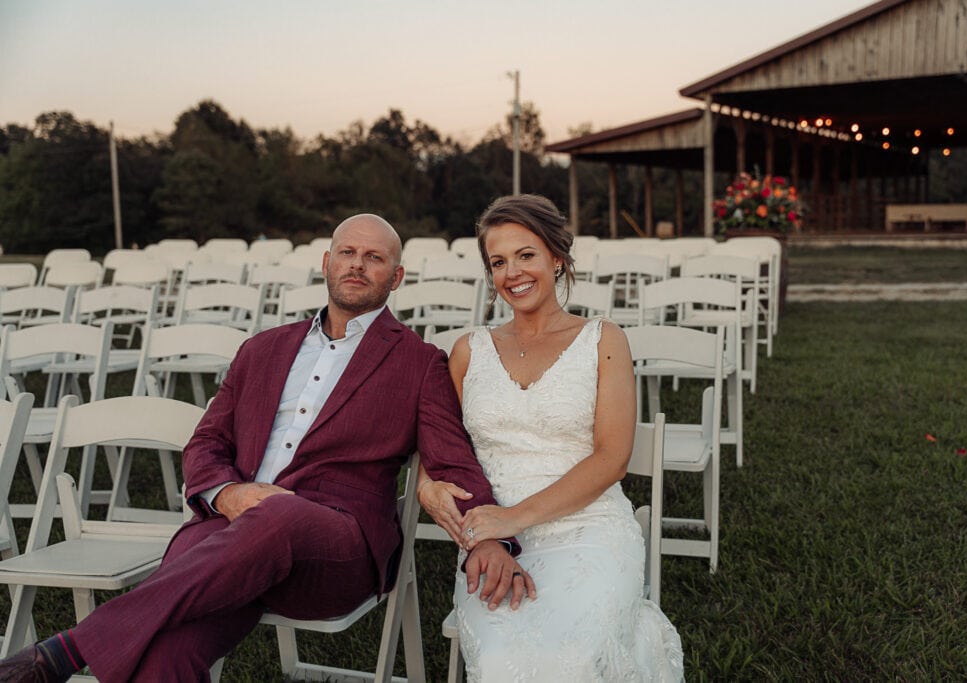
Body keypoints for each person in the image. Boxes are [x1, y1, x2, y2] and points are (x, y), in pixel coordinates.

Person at [0, 214, 533, 682]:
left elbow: (452, 460)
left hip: (336, 549)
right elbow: (207, 442)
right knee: (169, 647)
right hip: (230, 543)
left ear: (395, 278)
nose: (356, 264)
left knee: (274, 516)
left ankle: (65, 652)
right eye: (347, 252)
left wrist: (488, 540)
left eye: (374, 258)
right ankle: (80, 650)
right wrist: (226, 494)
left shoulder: (419, 364)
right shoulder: (260, 350)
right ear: (326, 262)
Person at [417, 194, 685, 682]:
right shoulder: (467, 351)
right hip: (491, 545)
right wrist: (438, 498)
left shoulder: (603, 340)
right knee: (502, 664)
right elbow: (439, 454)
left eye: (526, 255)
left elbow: (612, 459)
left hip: (591, 529)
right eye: (498, 262)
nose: (512, 272)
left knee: (577, 657)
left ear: (556, 259)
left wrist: (510, 519)